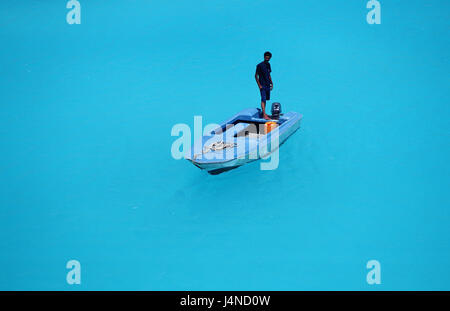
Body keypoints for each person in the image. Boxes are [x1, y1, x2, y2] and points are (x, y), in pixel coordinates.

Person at [255, 51, 273, 120]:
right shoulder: (259, 65)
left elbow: (269, 74)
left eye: (268, 58)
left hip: (268, 85)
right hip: (262, 85)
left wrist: (271, 83)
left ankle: (264, 113)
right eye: (266, 58)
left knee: (266, 99)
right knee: (263, 99)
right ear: (264, 57)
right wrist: (259, 85)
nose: (267, 59)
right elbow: (256, 76)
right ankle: (264, 114)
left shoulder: (268, 65)